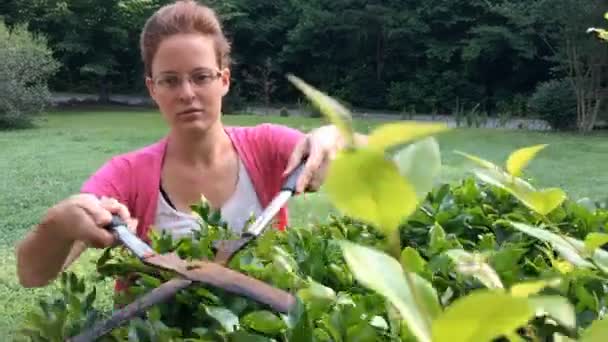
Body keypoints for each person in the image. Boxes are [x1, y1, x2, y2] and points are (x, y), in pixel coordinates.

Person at [15, 0, 365, 288]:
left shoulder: (269, 147)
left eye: (201, 77)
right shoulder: (127, 175)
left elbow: (375, 154)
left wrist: (335, 136)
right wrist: (58, 223)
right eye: (170, 81)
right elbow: (32, 276)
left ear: (223, 80)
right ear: (153, 89)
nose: (187, 94)